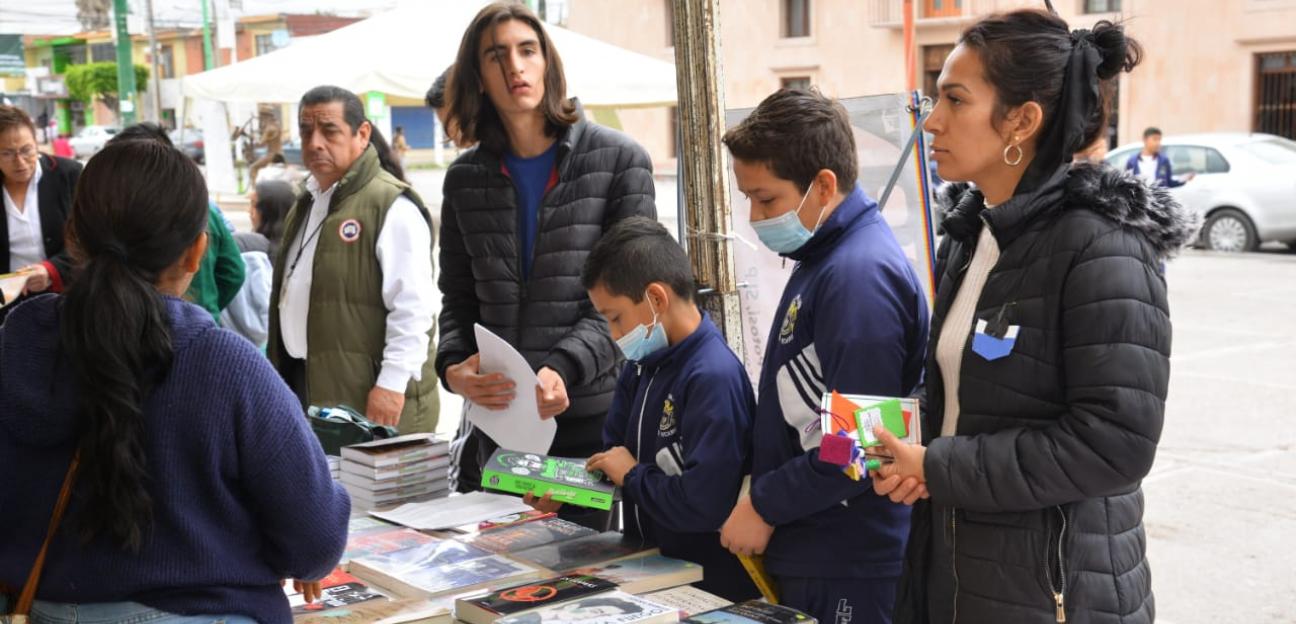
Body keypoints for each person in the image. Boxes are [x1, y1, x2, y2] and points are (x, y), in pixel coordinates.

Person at [869, 10, 1197, 623]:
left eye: (955, 100)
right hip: (957, 573)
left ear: (1021, 120)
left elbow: (1114, 444)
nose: (931, 121)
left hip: (1056, 595)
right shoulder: (972, 236)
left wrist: (939, 467)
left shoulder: (1103, 246)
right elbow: (967, 397)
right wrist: (914, 451)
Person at [0, 139, 348, 624]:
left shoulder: (19, 340)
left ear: (72, 235)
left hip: (36, 608)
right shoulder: (225, 364)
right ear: (196, 252)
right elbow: (315, 541)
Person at [436, 2, 656, 530]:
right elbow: (457, 299)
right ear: (478, 77)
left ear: (547, 62)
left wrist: (563, 366)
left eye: (527, 50)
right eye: (496, 55)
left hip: (591, 420)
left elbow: (633, 301)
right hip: (502, 428)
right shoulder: (463, 180)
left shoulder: (620, 160)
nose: (515, 66)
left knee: (587, 571)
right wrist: (453, 366)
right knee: (505, 570)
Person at [716, 88, 930, 624]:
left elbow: (865, 443)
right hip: (821, 543)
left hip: (848, 555)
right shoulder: (824, 255)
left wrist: (765, 503)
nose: (755, 216)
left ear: (824, 186)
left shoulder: (856, 277)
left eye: (766, 200)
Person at [523, 216, 760, 601]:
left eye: (615, 318)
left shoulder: (712, 377)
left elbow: (705, 505)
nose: (614, 335)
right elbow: (613, 463)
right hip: (647, 570)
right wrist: (570, 494)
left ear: (656, 299)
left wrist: (632, 475)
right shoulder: (642, 365)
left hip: (706, 586)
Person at [268, 85, 439, 433]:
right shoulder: (306, 202)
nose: (315, 142)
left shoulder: (391, 205)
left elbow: (414, 307)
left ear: (362, 134)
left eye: (329, 130)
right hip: (310, 383)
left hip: (373, 397)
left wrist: (391, 384)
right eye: (306, 131)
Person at [105, 122, 246, 325]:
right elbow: (234, 272)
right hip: (204, 320)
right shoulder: (206, 210)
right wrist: (210, 304)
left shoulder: (117, 216)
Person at [0, 105, 81, 318]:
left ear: (37, 143)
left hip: (66, 297)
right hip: (7, 307)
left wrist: (50, 270)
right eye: (7, 153)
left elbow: (90, 237)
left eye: (26, 150)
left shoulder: (69, 175)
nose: (19, 162)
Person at [223, 179, 294, 347]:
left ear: (269, 210)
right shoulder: (296, 249)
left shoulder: (253, 250)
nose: (249, 212)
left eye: (253, 205)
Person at [1125, 126, 1193, 187]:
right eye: (1155, 139)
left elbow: (1169, 183)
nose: (1158, 143)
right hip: (1141, 197)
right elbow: (1128, 184)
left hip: (1158, 197)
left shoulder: (1164, 161)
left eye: (1159, 139)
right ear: (1145, 140)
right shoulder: (1132, 162)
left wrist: (1183, 179)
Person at [248, 108, 285, 184]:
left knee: (253, 168)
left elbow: (260, 143)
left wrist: (250, 136)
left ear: (265, 117)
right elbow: (269, 140)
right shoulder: (277, 125)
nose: (261, 120)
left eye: (261, 117)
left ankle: (255, 189)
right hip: (280, 154)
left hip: (271, 155)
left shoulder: (269, 128)